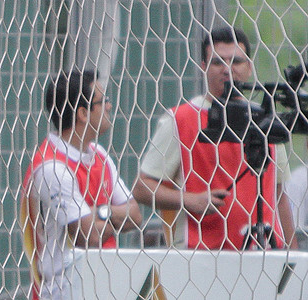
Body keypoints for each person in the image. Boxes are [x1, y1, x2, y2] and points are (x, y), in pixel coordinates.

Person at [132, 27, 297, 250]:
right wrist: (191, 200)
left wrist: (293, 257)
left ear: (249, 67)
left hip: (263, 254)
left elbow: (279, 195)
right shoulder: (180, 119)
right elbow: (142, 188)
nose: (228, 69)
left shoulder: (265, 119)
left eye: (236, 61)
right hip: (200, 256)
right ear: (203, 67)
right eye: (219, 62)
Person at [20, 70, 142, 299]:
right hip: (64, 291)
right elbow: (89, 238)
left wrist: (100, 213)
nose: (108, 106)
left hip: (105, 284)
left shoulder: (99, 155)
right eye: (103, 101)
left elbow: (135, 215)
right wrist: (114, 218)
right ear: (83, 113)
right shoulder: (52, 168)